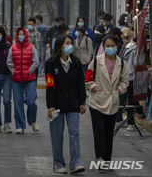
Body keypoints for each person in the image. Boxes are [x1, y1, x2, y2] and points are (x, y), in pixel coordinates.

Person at [85, 34, 129, 169]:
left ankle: (108, 159)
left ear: (117, 46)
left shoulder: (121, 63)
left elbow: (125, 81)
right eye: (107, 46)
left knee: (109, 132)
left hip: (112, 101)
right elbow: (88, 78)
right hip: (97, 101)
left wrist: (119, 90)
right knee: (99, 130)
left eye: (112, 46)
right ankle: (100, 157)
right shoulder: (97, 61)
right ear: (103, 47)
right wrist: (94, 87)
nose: (110, 48)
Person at [45, 35, 86, 174]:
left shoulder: (76, 62)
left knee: (74, 133)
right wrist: (50, 106)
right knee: (57, 135)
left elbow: (81, 83)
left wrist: (82, 102)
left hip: (73, 104)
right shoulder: (51, 63)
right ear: (60, 46)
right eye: (67, 43)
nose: (70, 45)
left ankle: (75, 163)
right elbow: (49, 86)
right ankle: (58, 163)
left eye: (71, 43)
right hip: (56, 105)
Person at [7, 27, 39, 134]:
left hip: (29, 79)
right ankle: (20, 126)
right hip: (16, 79)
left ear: (26, 35)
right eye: (19, 34)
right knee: (18, 102)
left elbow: (36, 62)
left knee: (31, 101)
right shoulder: (12, 48)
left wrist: (28, 72)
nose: (21, 36)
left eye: (22, 34)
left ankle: (32, 120)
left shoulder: (31, 48)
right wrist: (14, 71)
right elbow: (9, 62)